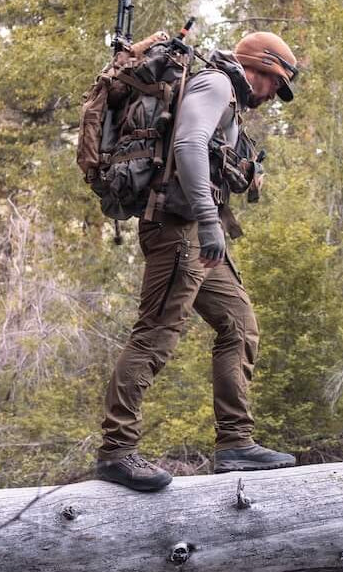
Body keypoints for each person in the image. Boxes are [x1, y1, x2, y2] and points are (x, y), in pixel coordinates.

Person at [94, 30, 301, 492]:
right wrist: (209, 221)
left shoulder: (227, 95)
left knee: (239, 324)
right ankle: (116, 450)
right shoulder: (216, 85)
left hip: (197, 232)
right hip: (179, 228)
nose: (272, 96)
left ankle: (235, 444)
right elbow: (188, 145)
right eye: (274, 84)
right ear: (258, 69)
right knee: (155, 336)